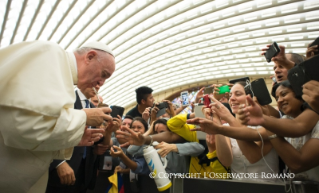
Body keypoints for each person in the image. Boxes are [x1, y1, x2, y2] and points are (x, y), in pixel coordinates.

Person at [0, 41, 115, 192]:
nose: (102, 83)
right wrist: (83, 117)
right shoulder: (49, 54)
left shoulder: (63, 76)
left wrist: (73, 139)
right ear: (90, 57)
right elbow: (23, 126)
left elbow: (37, 134)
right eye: (104, 74)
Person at [46, 86, 107, 193]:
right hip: (62, 170)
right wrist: (58, 163)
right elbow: (49, 131)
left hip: (83, 173)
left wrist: (108, 130)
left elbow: (93, 139)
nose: (98, 84)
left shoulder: (94, 108)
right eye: (99, 75)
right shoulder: (66, 100)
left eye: (104, 78)